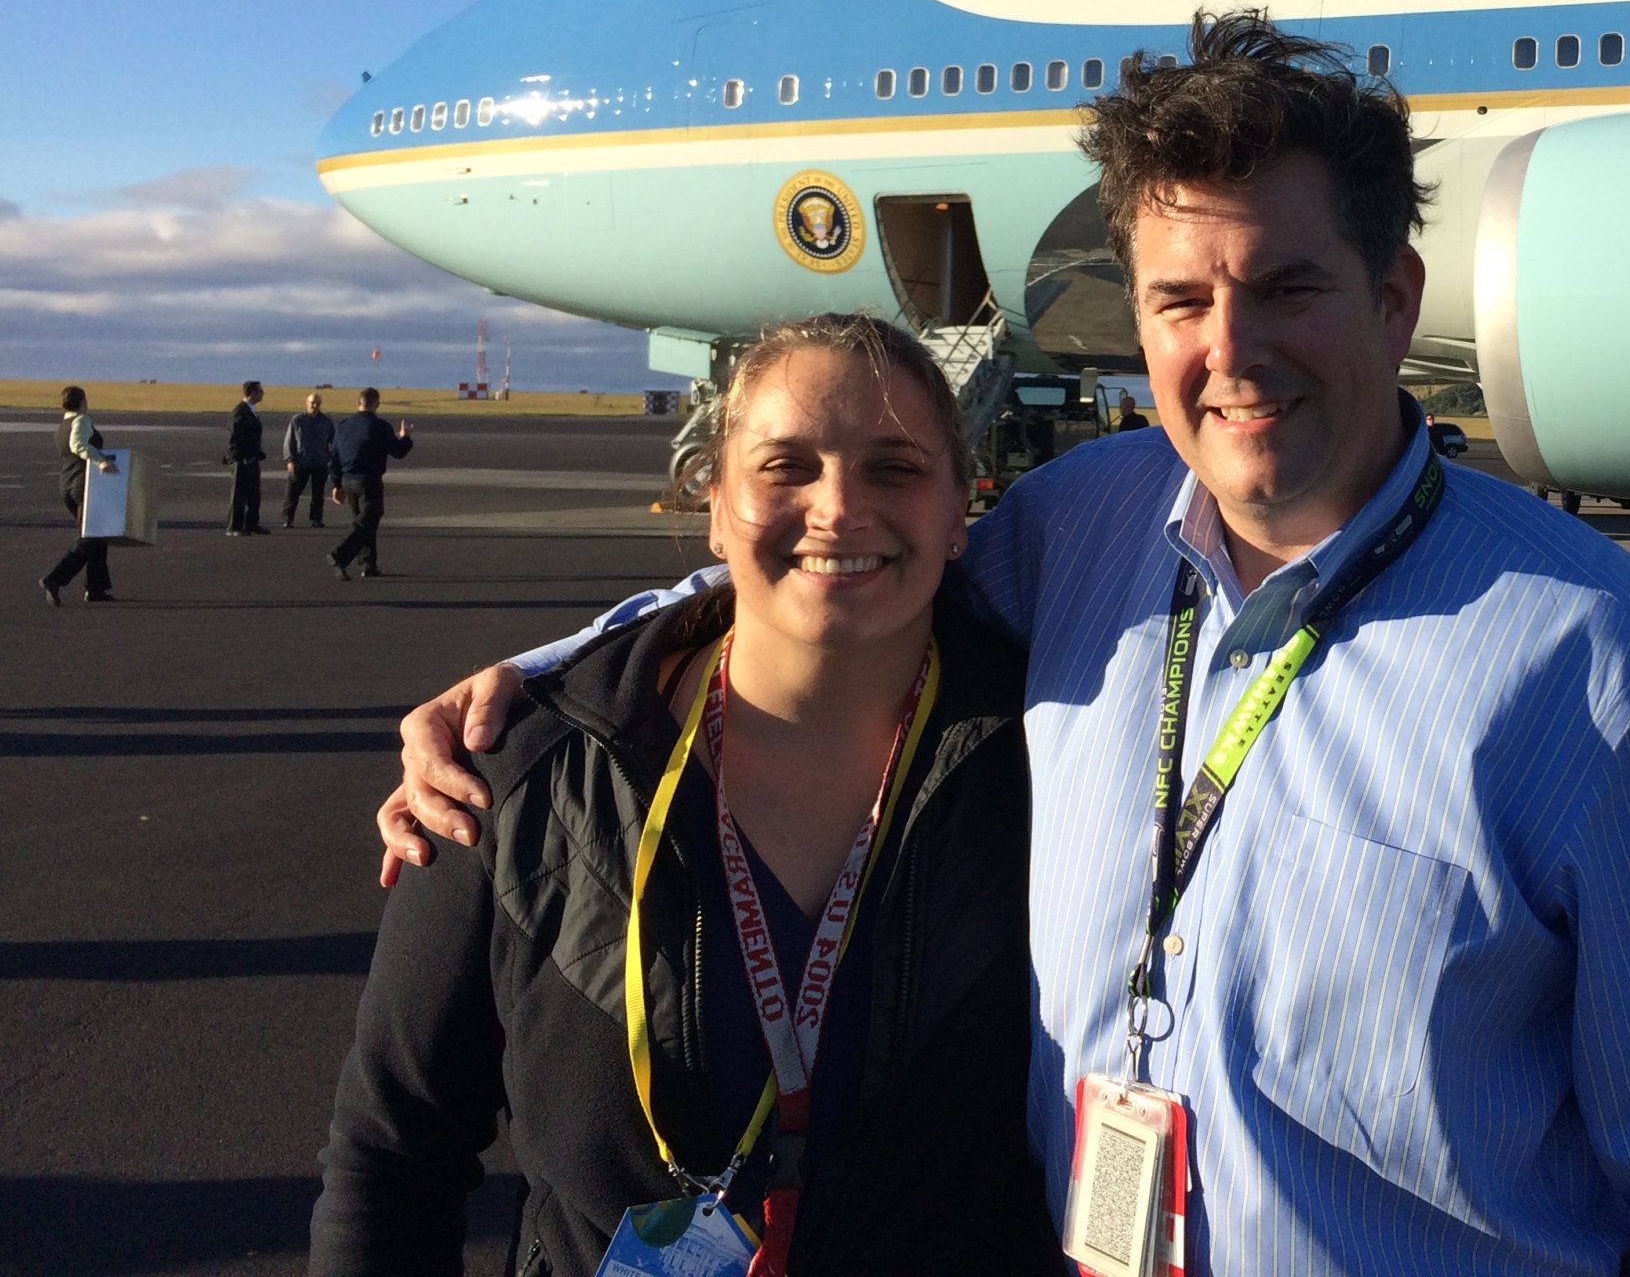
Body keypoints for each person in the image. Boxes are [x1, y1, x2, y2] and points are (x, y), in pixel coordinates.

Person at [382, 12, 1630, 1272]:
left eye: (1287, 285)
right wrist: (551, 683)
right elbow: (841, 571)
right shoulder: (1086, 526)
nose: (1229, 351)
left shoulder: (1586, 661)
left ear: (1395, 294)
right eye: (1181, 300)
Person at [312, 314, 1056, 1275]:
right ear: (713, 506)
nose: (838, 507)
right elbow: (392, 1155)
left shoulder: (1050, 771)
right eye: (786, 467)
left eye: (896, 469)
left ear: (964, 511)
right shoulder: (519, 778)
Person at [40, 386, 118, 607]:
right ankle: (54, 579)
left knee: (98, 534)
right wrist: (100, 460)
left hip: (67, 484)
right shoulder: (81, 421)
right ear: (83, 401)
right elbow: (78, 446)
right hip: (83, 485)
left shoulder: (62, 426)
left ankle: (96, 588)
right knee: (91, 536)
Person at [327, 388, 412, 581]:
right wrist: (405, 437)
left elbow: (334, 457)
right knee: (367, 521)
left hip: (348, 480)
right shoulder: (380, 426)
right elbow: (398, 452)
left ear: (358, 403)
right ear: (376, 404)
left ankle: (368, 563)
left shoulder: (343, 426)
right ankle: (339, 554)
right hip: (368, 480)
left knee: (363, 521)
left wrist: (336, 484)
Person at [281, 391, 333, 528]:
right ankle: (288, 519)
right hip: (300, 462)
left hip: (320, 463)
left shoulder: (326, 422)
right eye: (312, 402)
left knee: (318, 494)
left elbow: (333, 442)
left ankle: (316, 519)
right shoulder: (297, 420)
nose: (315, 405)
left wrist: (331, 460)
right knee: (292, 492)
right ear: (307, 403)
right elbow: (289, 441)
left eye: (317, 403)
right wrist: (289, 460)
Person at [224, 379, 268, 535]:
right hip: (241, 460)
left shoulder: (251, 410)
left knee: (254, 494)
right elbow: (234, 437)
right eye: (260, 391)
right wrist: (237, 458)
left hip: (252, 458)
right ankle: (234, 527)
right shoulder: (240, 412)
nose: (262, 394)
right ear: (253, 393)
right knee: (238, 494)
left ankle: (251, 523)